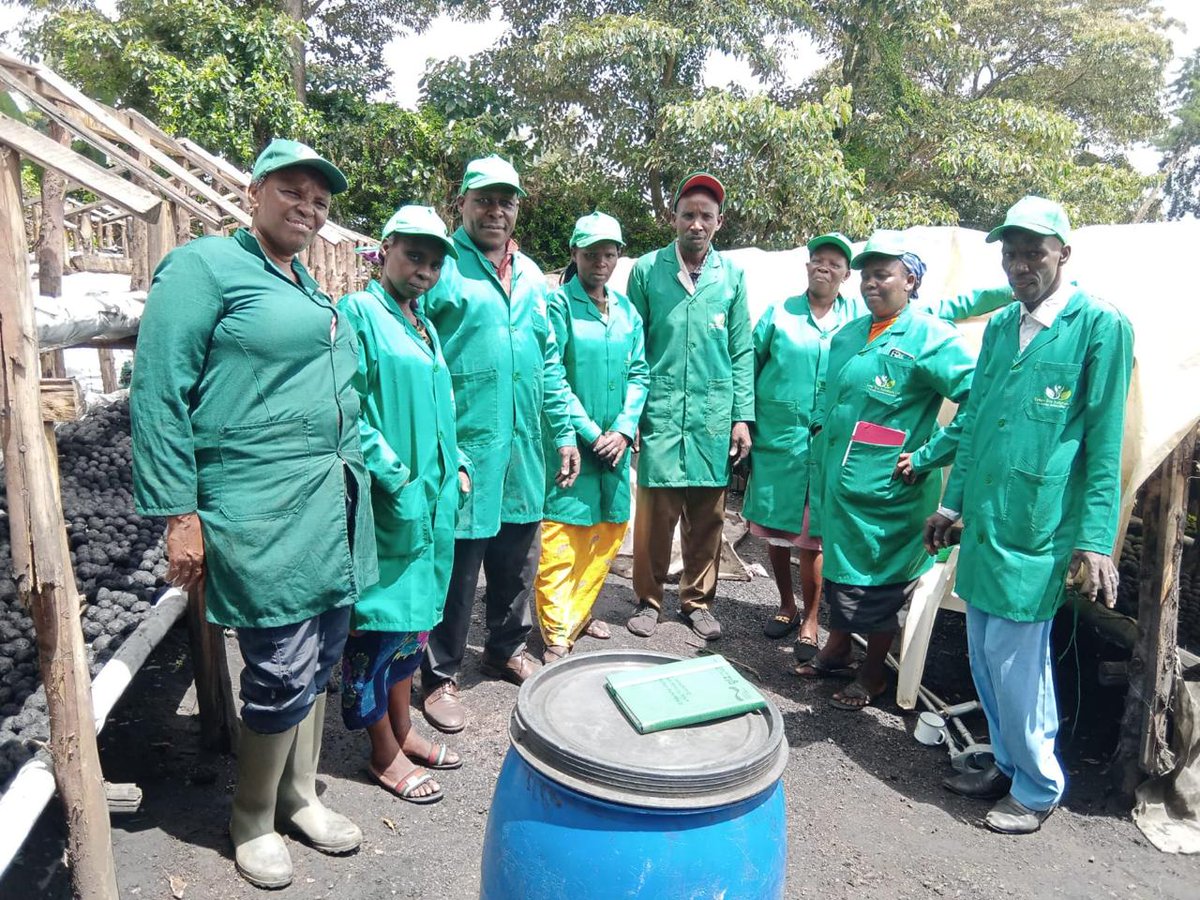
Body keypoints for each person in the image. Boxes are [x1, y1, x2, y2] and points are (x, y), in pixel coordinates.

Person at [131, 139, 374, 889]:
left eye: (321, 200)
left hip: (329, 499)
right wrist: (179, 510)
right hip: (258, 502)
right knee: (277, 664)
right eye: (293, 191)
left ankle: (299, 794)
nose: (308, 207)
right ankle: (251, 816)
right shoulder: (205, 268)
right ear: (255, 193)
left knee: (324, 648)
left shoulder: (304, 282)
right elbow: (158, 391)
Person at [925, 196, 1133, 835]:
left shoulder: (1099, 326)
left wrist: (1096, 540)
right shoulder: (997, 328)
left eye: (1033, 251)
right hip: (987, 520)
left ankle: (1038, 787)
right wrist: (952, 502)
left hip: (1040, 528)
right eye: (1011, 253)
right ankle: (1008, 763)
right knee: (985, 655)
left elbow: (1105, 441)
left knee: (1018, 661)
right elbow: (974, 420)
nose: (1019, 265)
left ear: (1063, 254)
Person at [419, 156, 580, 733]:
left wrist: (562, 431)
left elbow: (551, 361)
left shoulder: (535, 275)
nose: (495, 210)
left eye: (505, 201)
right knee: (458, 566)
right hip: (464, 447)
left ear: (517, 209)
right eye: (483, 199)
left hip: (523, 450)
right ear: (460, 204)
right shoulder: (440, 265)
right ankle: (438, 676)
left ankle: (506, 648)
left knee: (517, 558)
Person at [800, 231, 976, 711]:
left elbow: (978, 401)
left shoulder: (932, 337)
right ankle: (837, 649)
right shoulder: (851, 334)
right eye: (867, 275)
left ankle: (874, 673)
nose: (871, 284)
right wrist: (820, 426)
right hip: (841, 482)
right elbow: (830, 393)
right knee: (840, 572)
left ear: (911, 280)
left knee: (878, 584)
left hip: (890, 492)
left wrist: (927, 456)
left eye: (884, 274)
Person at [337, 206, 472, 803]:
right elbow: (350, 408)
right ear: (385, 249)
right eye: (414, 256)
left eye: (435, 262)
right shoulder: (359, 314)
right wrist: (394, 478)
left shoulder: (423, 325)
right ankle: (381, 752)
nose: (425, 270)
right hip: (388, 502)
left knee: (410, 632)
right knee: (375, 630)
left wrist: (457, 462)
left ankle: (404, 727)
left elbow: (439, 407)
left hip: (430, 503)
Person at [626, 172, 754, 641]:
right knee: (654, 515)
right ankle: (648, 600)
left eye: (706, 216)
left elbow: (741, 351)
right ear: (673, 218)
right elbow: (631, 345)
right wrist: (630, 413)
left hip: (712, 414)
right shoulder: (646, 271)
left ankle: (697, 601)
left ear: (719, 223)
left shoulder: (733, 276)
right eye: (688, 215)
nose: (696, 224)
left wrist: (742, 417)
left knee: (707, 516)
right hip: (659, 408)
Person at [535, 212, 650, 662]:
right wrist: (589, 432)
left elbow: (640, 372)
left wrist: (623, 428)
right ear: (574, 254)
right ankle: (557, 631)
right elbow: (553, 374)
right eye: (591, 254)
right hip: (573, 445)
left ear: (618, 256)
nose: (600, 262)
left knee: (607, 532)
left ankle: (577, 612)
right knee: (564, 538)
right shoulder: (558, 306)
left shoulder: (627, 312)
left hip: (616, 448)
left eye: (609, 253)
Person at [743, 233, 864, 658]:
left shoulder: (860, 320)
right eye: (817, 260)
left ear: (847, 274)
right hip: (779, 438)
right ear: (807, 266)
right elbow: (748, 365)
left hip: (829, 445)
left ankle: (812, 619)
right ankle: (785, 604)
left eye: (834, 263)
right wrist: (744, 418)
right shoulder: (779, 312)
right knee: (777, 532)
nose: (823, 267)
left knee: (813, 538)